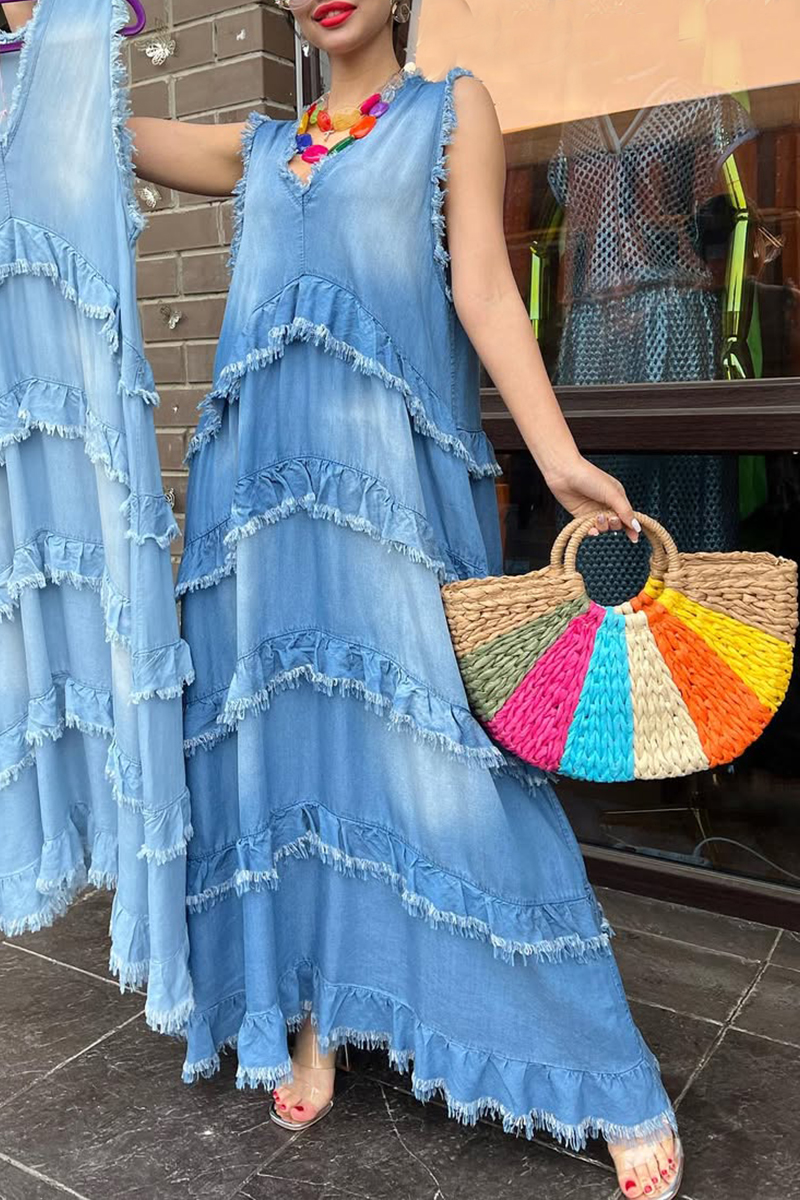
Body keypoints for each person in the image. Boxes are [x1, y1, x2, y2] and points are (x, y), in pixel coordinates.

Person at [126, 2, 682, 1196]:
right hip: (260, 511)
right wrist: (40, 37)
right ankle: (317, 1019)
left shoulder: (446, 111)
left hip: (389, 501)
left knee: (453, 772)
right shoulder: (261, 148)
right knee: (287, 754)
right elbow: (106, 130)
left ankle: (595, 1068)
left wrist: (555, 457)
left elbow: (484, 293)